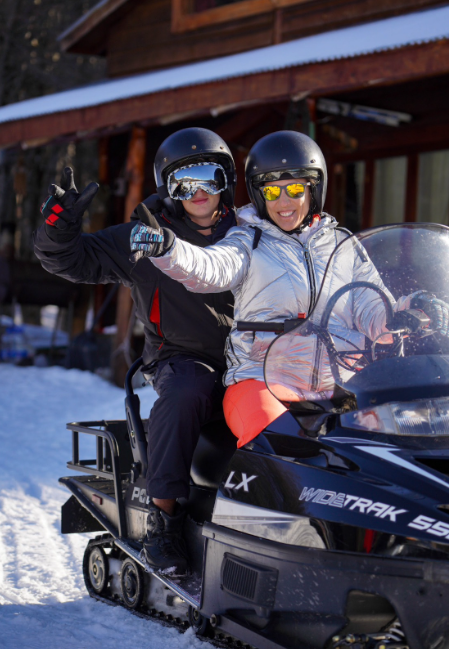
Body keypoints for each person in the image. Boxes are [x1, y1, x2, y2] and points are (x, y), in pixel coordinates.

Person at [129, 129, 449, 447]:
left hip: (340, 386)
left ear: (313, 191)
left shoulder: (342, 245)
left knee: (393, 450)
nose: (284, 202)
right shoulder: (246, 241)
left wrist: (410, 309)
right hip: (263, 383)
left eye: (295, 189)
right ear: (259, 195)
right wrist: (168, 250)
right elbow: (209, 268)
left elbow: (371, 307)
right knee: (282, 450)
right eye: (272, 192)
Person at [34, 127, 237, 574]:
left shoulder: (249, 232)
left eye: (210, 178)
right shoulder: (145, 236)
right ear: (168, 187)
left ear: (228, 180)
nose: (199, 192)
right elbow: (69, 260)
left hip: (254, 359)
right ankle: (164, 523)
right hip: (181, 357)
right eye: (185, 182)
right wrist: (57, 228)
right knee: (187, 392)